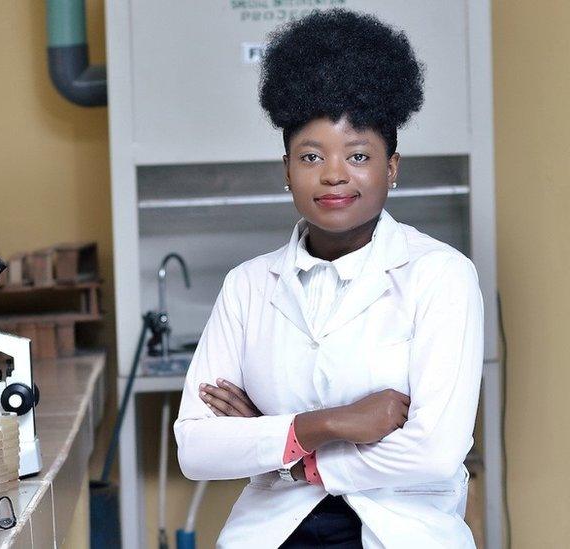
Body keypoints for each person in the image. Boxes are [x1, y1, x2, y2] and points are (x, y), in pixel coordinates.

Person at [173, 9, 483, 549]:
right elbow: (196, 448)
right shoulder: (248, 286)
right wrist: (330, 424)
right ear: (286, 169)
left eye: (358, 155)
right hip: (273, 532)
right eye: (311, 156)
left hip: (402, 531)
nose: (334, 174)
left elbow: (435, 449)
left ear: (392, 168)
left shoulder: (440, 276)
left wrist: (284, 453)